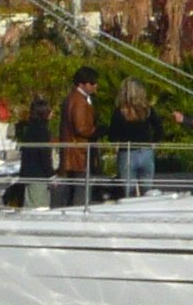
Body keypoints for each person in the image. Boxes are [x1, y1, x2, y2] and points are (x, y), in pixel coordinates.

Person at [55, 66, 100, 208]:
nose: (95, 86)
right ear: (82, 83)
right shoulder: (78, 101)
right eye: (92, 83)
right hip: (78, 152)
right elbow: (81, 127)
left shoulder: (78, 99)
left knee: (75, 187)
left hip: (76, 150)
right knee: (80, 189)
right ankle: (77, 215)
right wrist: (97, 131)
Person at [111, 79, 159, 197]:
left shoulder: (119, 112)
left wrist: (116, 145)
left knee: (128, 192)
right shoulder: (148, 110)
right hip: (146, 151)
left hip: (127, 152)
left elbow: (112, 134)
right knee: (147, 191)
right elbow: (159, 128)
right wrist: (154, 142)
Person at [13, 92, 53, 209]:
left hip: (29, 173)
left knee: (31, 203)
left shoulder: (30, 129)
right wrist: (50, 174)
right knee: (39, 206)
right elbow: (44, 154)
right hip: (38, 175)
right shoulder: (42, 131)